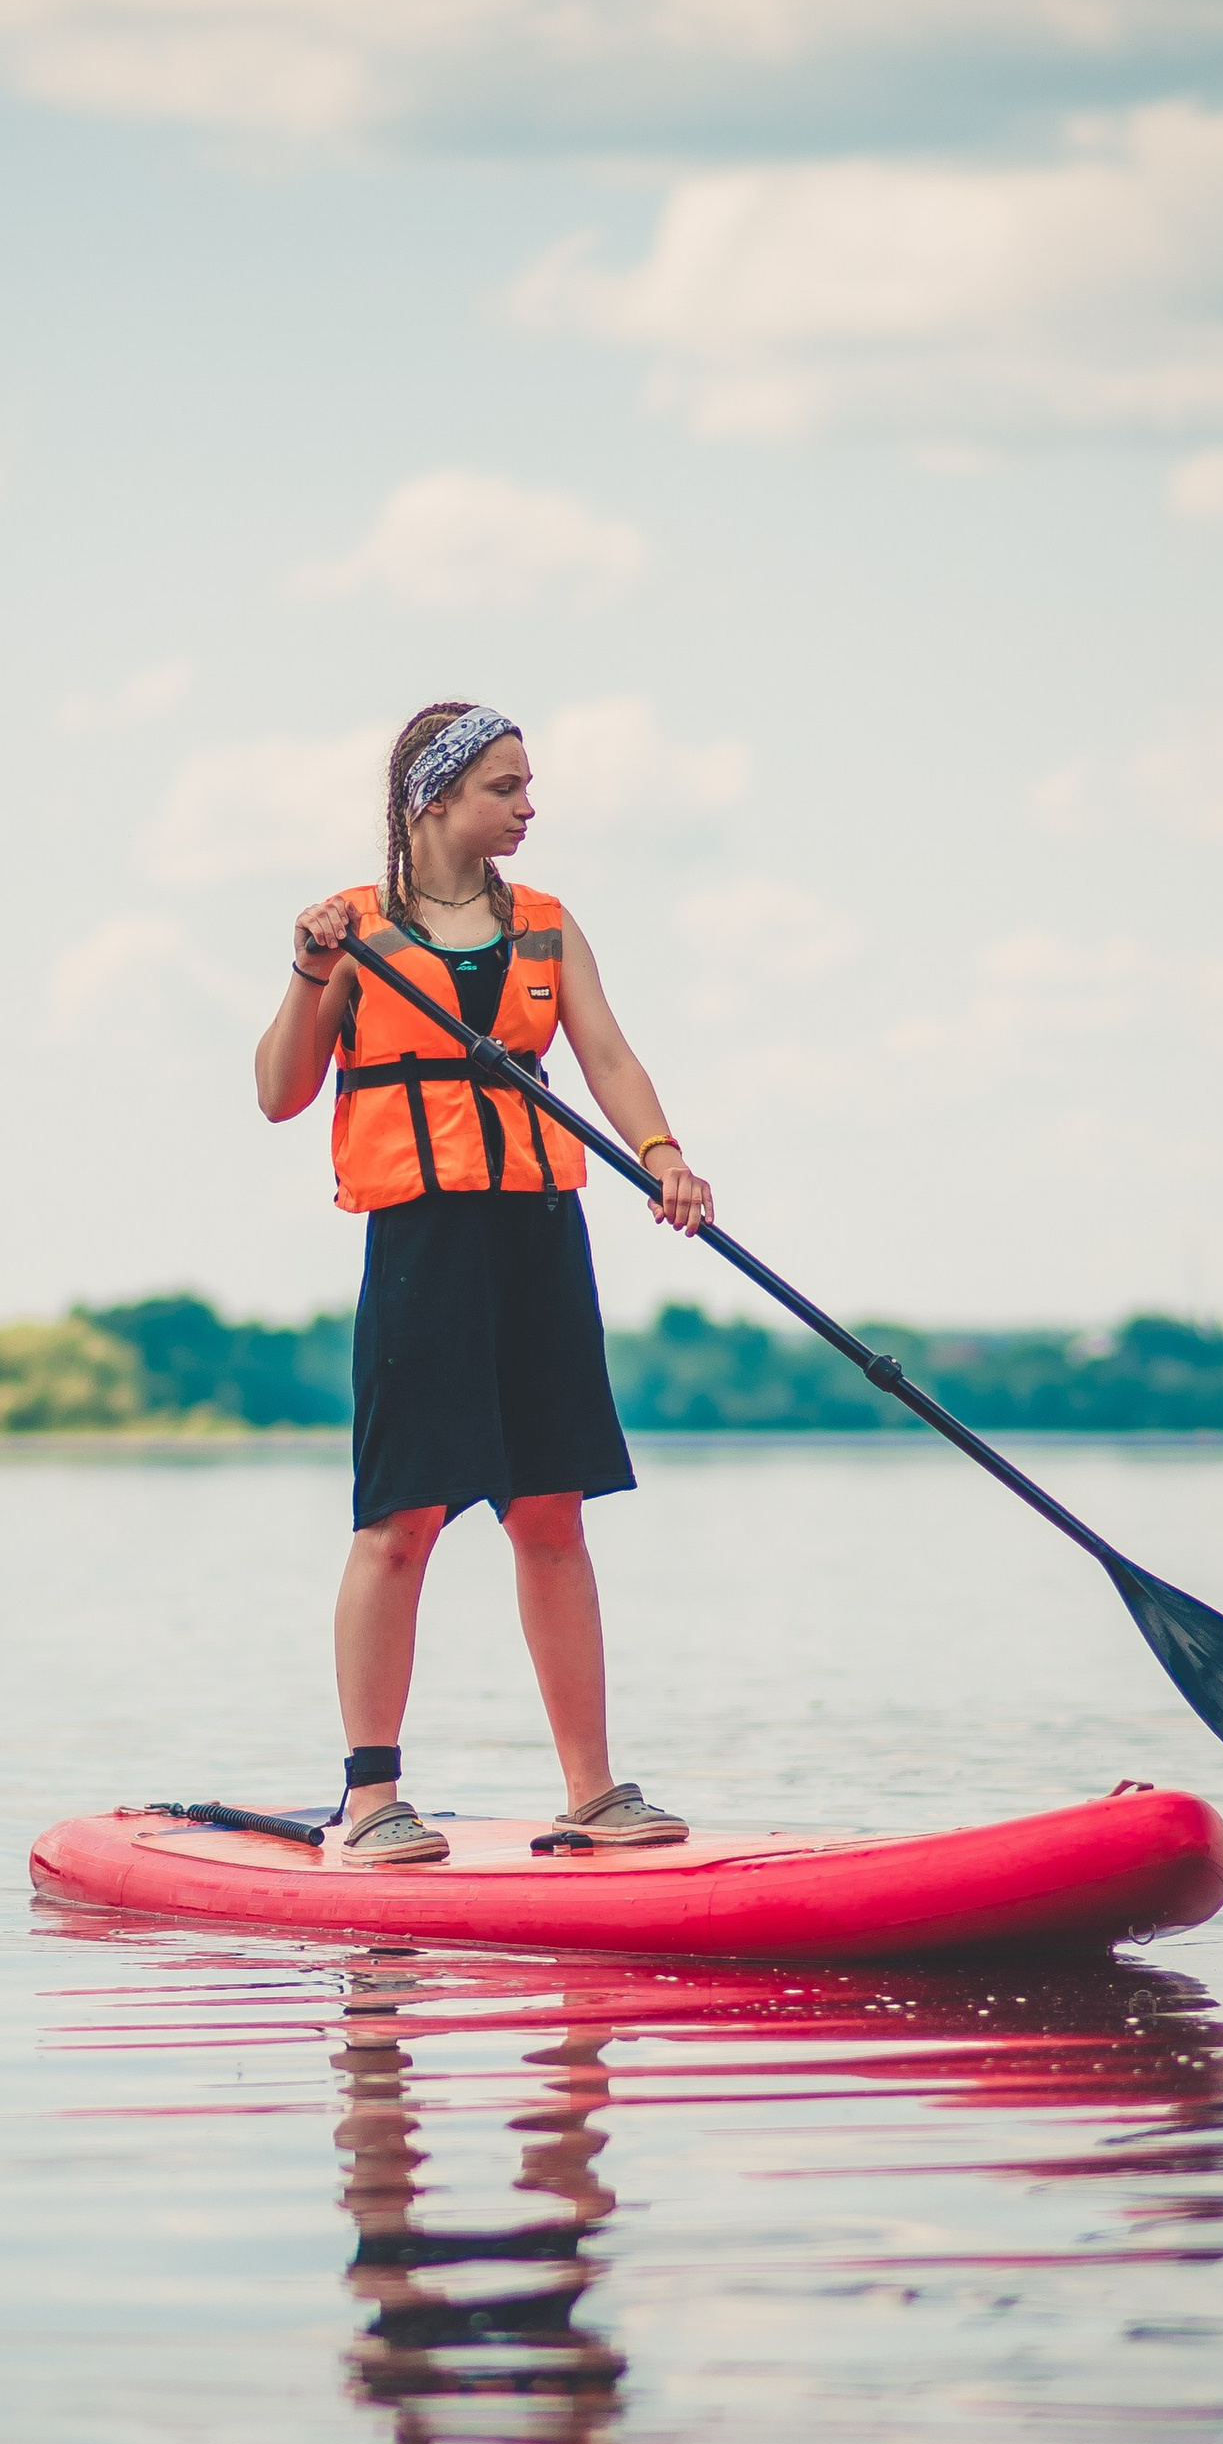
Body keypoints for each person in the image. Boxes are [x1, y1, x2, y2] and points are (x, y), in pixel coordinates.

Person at [254, 697, 714, 1865]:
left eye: (525, 785)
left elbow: (606, 1054)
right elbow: (280, 1090)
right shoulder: (348, 931)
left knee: (550, 1513)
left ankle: (593, 1793)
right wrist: (309, 974)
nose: (526, 806)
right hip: (422, 1247)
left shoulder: (551, 928)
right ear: (434, 799)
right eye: (505, 787)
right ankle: (369, 1801)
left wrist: (662, 1157)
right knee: (399, 1522)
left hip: (539, 1236)